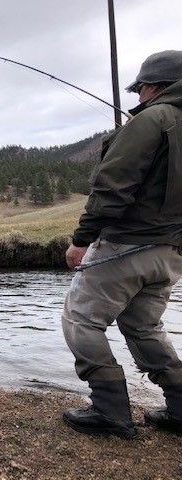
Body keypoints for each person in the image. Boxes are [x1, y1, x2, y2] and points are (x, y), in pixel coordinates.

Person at [61, 50, 182, 438]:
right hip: (172, 254)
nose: (139, 96)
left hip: (127, 246)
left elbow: (112, 187)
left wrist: (82, 240)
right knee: (144, 326)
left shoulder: (152, 120)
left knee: (81, 319)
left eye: (141, 89)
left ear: (152, 86)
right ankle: (181, 407)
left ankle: (110, 411)